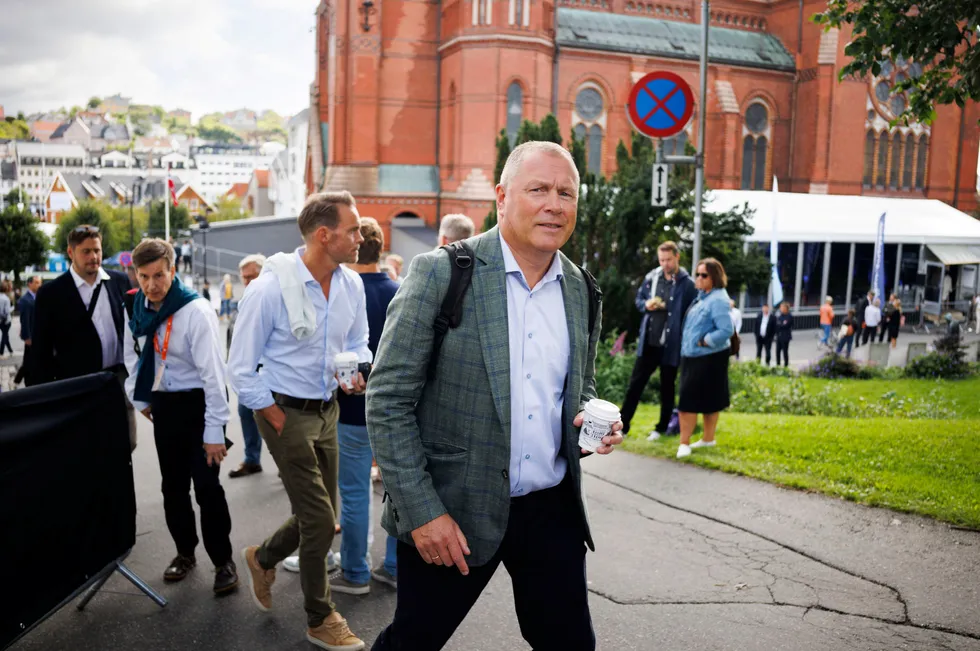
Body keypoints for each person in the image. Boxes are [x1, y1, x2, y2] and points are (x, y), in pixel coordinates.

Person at [366, 140, 623, 651]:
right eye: (539, 189)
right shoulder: (443, 272)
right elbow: (388, 399)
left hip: (549, 508)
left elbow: (578, 385)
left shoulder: (582, 289)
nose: (555, 204)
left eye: (566, 193)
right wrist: (423, 513)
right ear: (502, 196)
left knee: (572, 644)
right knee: (413, 642)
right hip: (453, 507)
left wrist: (588, 419)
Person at [229, 191, 371, 651]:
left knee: (321, 515)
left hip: (329, 408)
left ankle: (262, 557)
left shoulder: (351, 285)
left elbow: (360, 341)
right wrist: (272, 414)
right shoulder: (268, 288)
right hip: (284, 413)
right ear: (324, 235)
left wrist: (354, 372)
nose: (360, 237)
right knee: (318, 519)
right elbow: (240, 366)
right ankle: (320, 617)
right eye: (353, 230)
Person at [123, 238, 238, 593]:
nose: (151, 285)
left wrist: (215, 431)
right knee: (172, 488)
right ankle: (184, 553)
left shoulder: (195, 311)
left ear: (173, 270)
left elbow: (213, 376)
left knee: (206, 488)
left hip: (199, 405)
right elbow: (132, 357)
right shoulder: (136, 308)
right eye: (144, 276)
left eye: (159, 275)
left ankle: (223, 561)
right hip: (164, 406)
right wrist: (139, 398)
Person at [327, 217, 401, 596]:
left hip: (352, 410)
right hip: (395, 413)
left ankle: (355, 571)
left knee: (354, 493)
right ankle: (393, 565)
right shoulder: (400, 291)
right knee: (397, 493)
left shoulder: (342, 294)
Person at [27, 225, 137, 450]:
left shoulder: (118, 281)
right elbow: (41, 350)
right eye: (86, 251)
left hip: (118, 380)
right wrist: (47, 395)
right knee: (87, 446)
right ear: (71, 252)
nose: (93, 257)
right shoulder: (51, 293)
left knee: (127, 443)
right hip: (78, 384)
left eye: (96, 250)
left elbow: (132, 329)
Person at [619, 241, 696, 441]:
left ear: (677, 257)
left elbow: (691, 312)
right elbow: (638, 300)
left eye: (668, 259)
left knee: (667, 388)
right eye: (661, 260)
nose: (665, 264)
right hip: (649, 343)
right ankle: (622, 426)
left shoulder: (687, 284)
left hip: (671, 345)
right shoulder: (652, 278)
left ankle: (661, 428)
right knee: (635, 385)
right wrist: (646, 304)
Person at [675, 258, 733, 459]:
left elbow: (726, 329)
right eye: (697, 274)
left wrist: (704, 341)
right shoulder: (704, 296)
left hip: (708, 357)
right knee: (708, 400)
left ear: (714, 277)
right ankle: (708, 439)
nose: (698, 278)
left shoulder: (717, 300)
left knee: (688, 402)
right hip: (695, 356)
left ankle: (684, 443)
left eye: (703, 275)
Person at [228, 254, 267, 479]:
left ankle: (287, 465)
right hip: (247, 371)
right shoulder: (243, 302)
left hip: (271, 371)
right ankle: (252, 459)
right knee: (245, 412)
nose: (248, 281)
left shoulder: (273, 298)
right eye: (244, 277)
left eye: (253, 276)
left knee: (276, 418)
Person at [13, 275, 41, 385]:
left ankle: (19, 381)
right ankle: (24, 382)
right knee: (29, 361)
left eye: (40, 282)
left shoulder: (37, 296)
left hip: (37, 334)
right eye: (37, 282)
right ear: (30, 284)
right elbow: (24, 320)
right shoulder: (25, 300)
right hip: (31, 337)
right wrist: (27, 337)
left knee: (29, 360)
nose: (39, 285)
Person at [775, 302, 793, 368]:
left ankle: (786, 365)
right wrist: (780, 324)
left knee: (785, 352)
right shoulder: (780, 316)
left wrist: (780, 324)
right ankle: (778, 365)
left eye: (782, 307)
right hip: (779, 336)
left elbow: (785, 326)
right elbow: (777, 324)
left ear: (785, 308)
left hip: (785, 337)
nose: (780, 309)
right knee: (777, 352)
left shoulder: (789, 316)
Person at [0, 280, 13, 358]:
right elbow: (7, 311)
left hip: (0, 320)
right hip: (6, 320)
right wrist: (13, 308)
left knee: (5, 336)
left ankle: (11, 350)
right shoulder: (6, 299)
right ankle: (1, 352)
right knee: (4, 336)